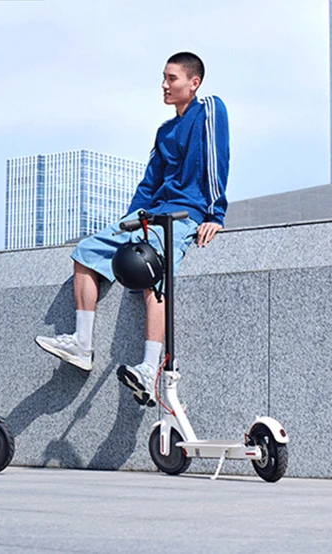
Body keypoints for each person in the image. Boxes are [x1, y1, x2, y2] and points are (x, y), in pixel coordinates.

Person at [35, 52, 229, 407]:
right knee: (86, 252)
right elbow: (149, 183)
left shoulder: (211, 109)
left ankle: (148, 370)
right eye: (163, 78)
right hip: (148, 215)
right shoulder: (164, 131)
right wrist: (127, 223)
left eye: (172, 78)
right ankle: (81, 343)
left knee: (154, 273)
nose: (164, 85)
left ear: (194, 83)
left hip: (182, 216)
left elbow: (218, 160)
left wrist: (215, 215)